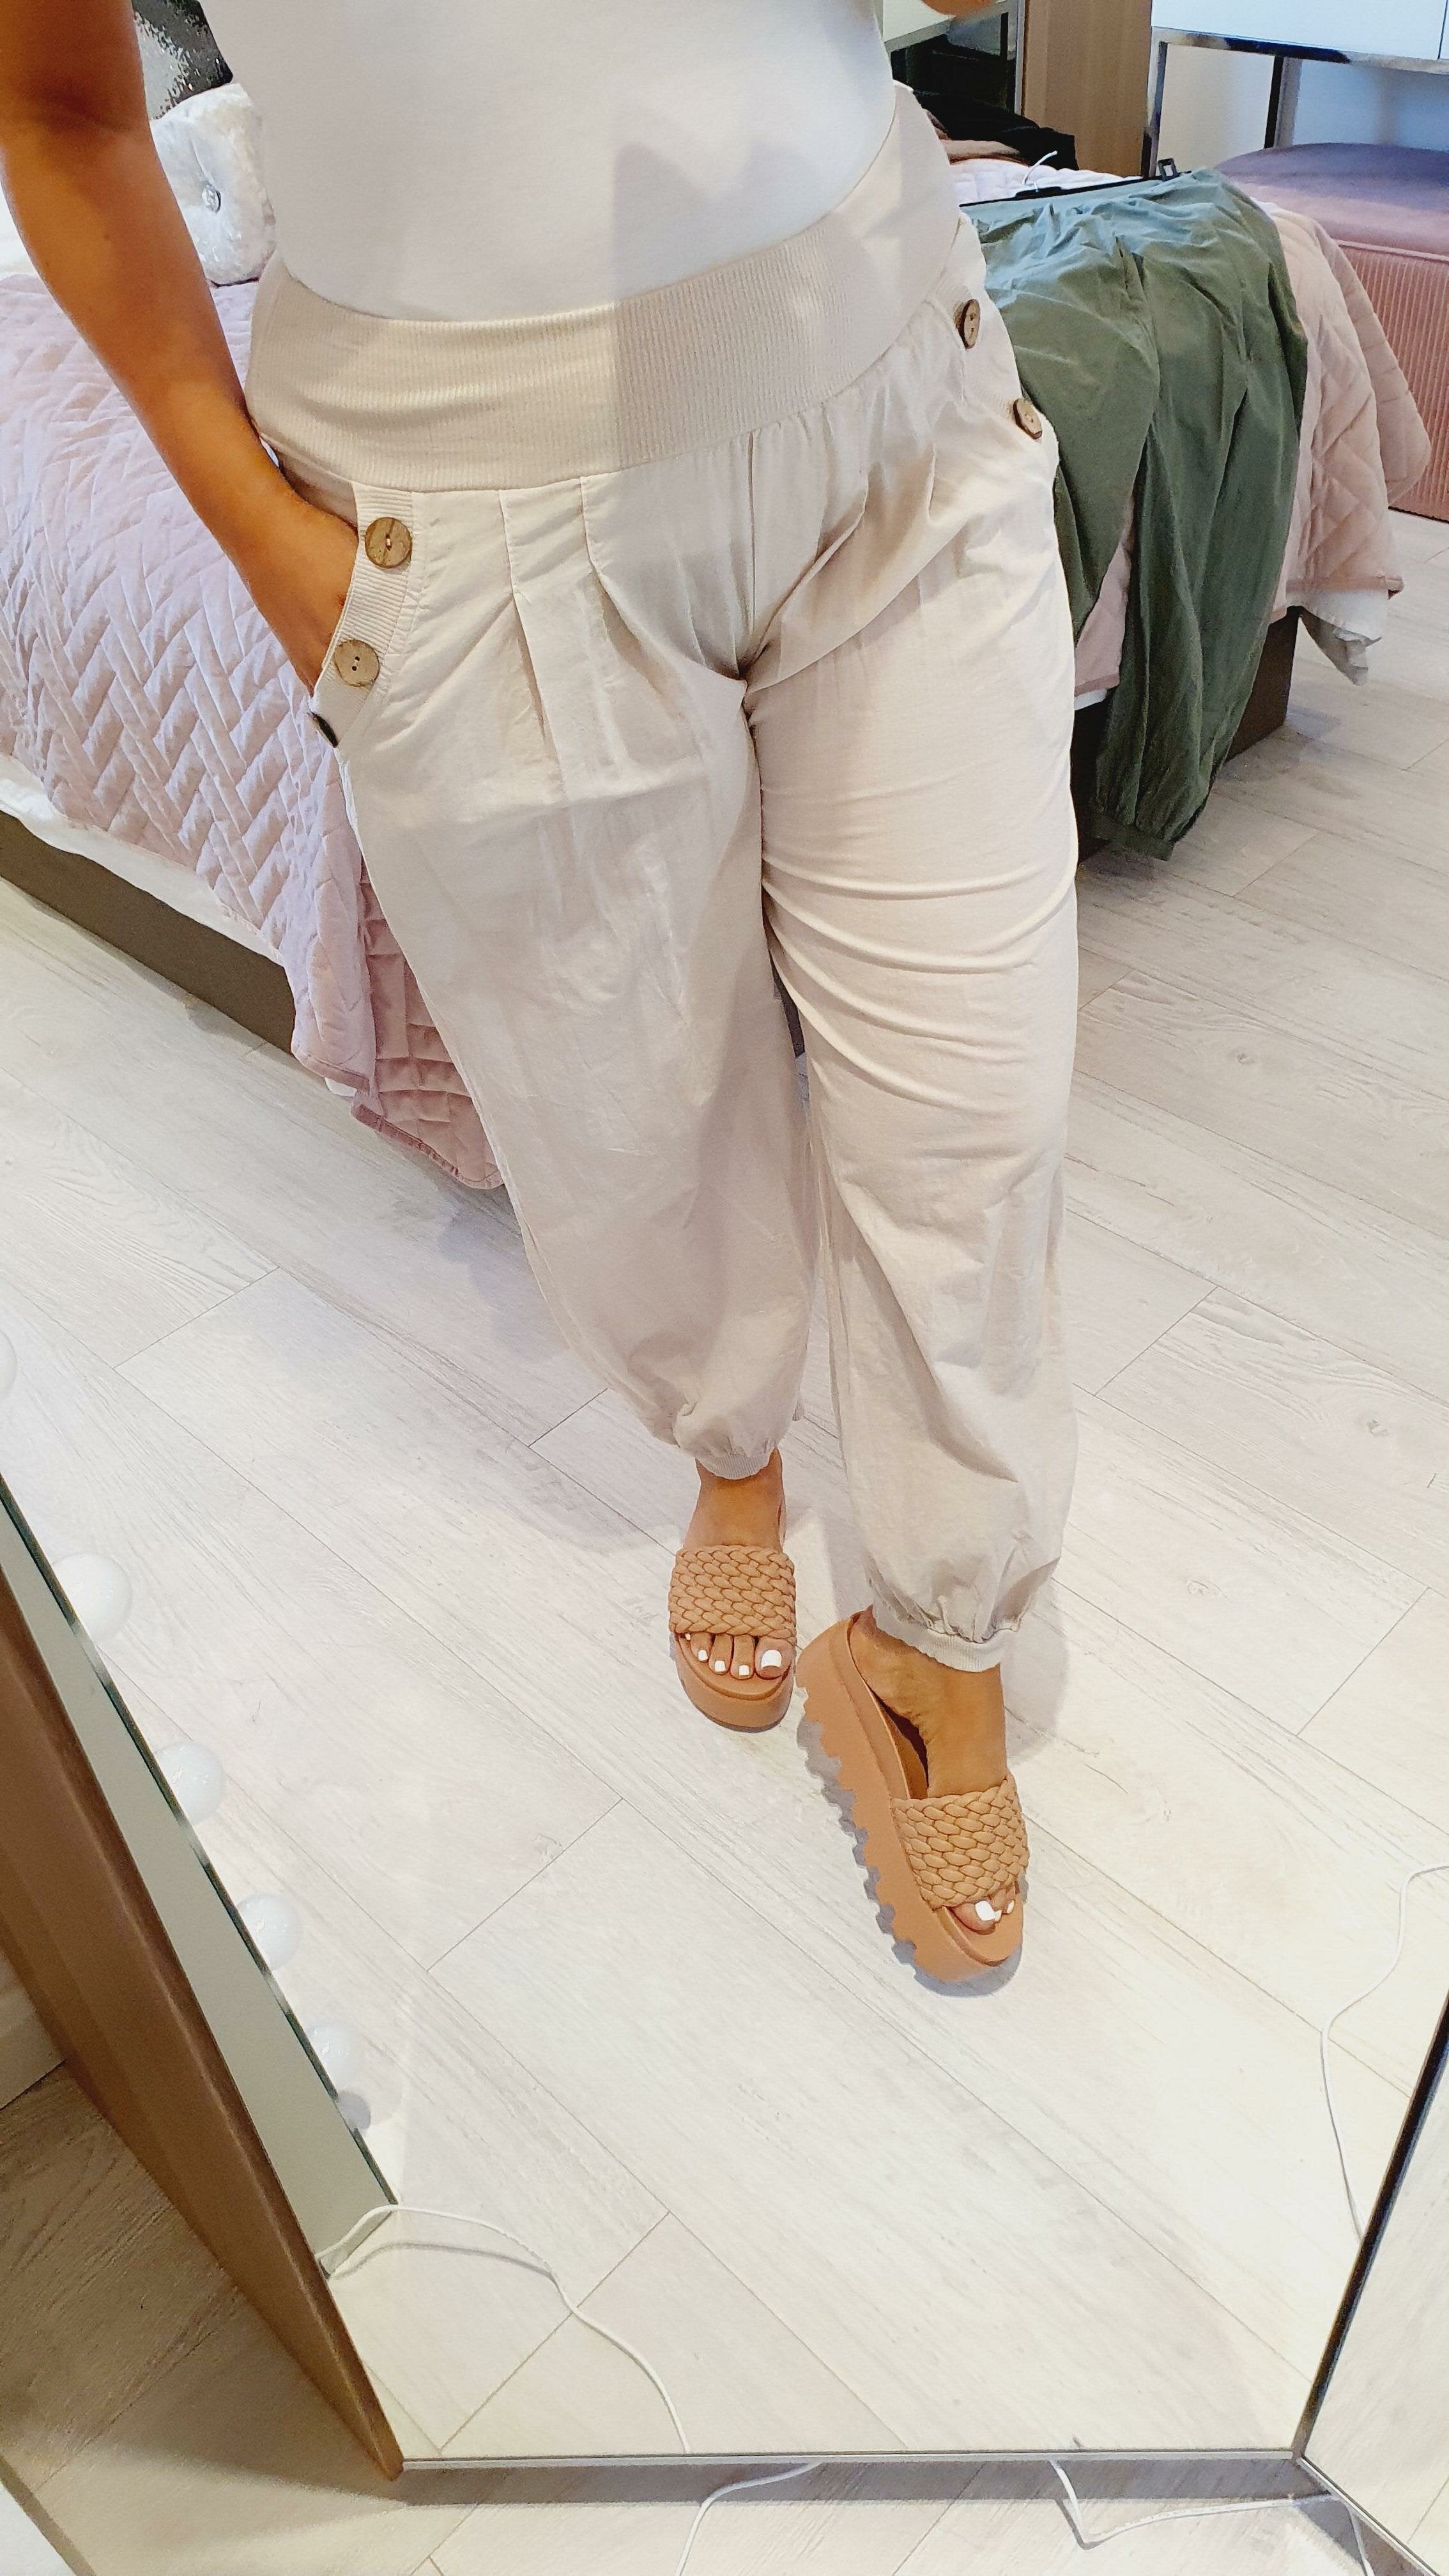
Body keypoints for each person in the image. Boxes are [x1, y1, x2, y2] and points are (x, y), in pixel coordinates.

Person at [0, 0, 1078, 1980]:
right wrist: (264, 548)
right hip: (471, 499)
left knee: (974, 1097)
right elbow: (64, 116)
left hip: (892, 378)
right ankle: (730, 1446)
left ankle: (944, 1625)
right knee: (628, 1106)